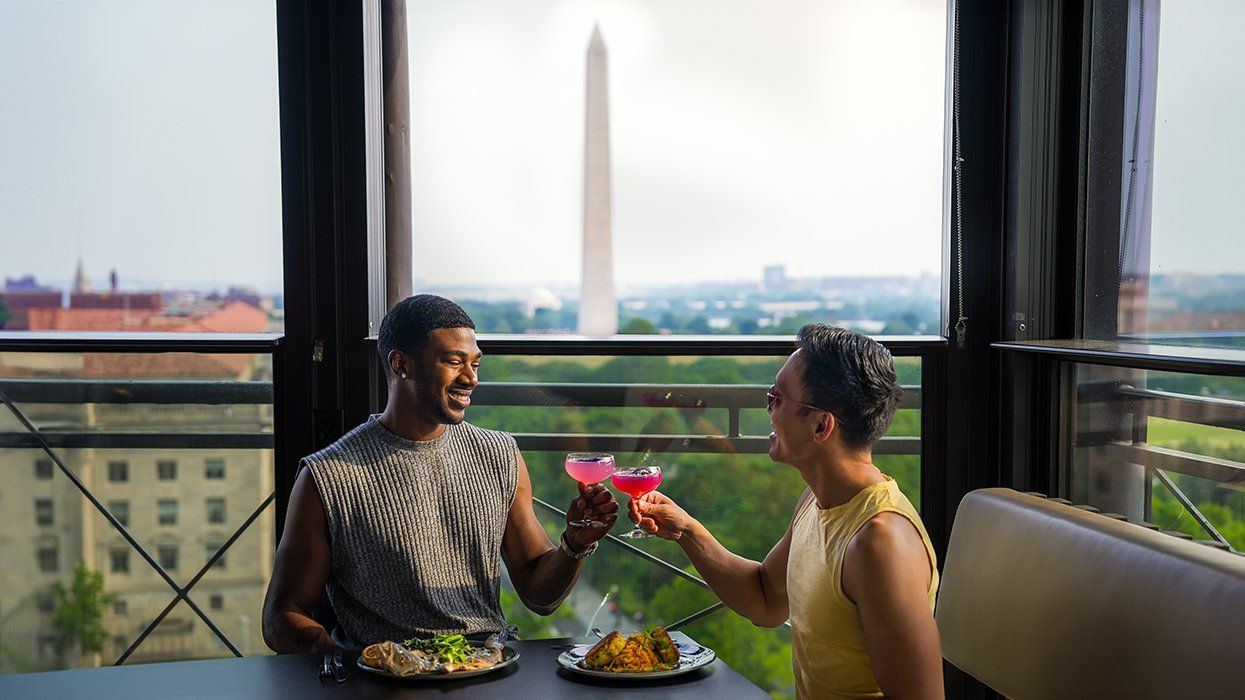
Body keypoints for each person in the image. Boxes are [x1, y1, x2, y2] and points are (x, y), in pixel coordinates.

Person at [262, 294, 618, 653]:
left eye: (475, 364)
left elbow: (540, 597)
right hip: (390, 682)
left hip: (489, 668)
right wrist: (353, 668)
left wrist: (575, 543)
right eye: (454, 362)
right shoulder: (327, 477)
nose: (471, 378)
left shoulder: (499, 454)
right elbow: (282, 616)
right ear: (401, 365)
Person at [628, 324, 942, 699]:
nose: (768, 407)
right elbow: (765, 601)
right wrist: (687, 532)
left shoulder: (880, 543)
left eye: (778, 397)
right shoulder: (815, 501)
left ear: (821, 425)